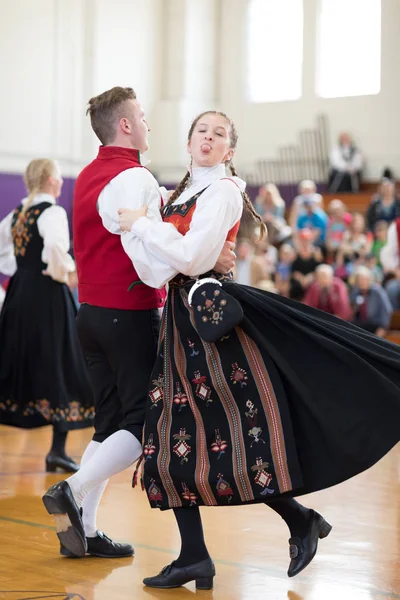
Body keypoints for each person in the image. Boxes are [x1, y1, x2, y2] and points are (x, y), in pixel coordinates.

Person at [118, 110, 399, 590]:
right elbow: (155, 272)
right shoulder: (177, 197)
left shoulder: (224, 191)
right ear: (188, 144)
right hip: (181, 324)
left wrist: (144, 228)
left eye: (219, 134)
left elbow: (189, 258)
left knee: (237, 439)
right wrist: (153, 235)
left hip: (211, 325)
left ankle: (287, 523)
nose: (209, 138)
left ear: (230, 150)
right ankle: (201, 553)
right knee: (171, 441)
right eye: (201, 131)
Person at [42, 87, 235, 560]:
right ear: (127, 125)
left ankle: (85, 532)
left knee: (108, 426)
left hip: (88, 313)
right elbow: (150, 260)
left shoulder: (87, 175)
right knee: (142, 425)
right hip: (127, 314)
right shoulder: (135, 178)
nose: (149, 124)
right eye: (144, 117)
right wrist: (202, 263)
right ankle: (73, 487)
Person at [0, 159, 94, 472]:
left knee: (15, 359)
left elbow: (5, 253)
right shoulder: (52, 212)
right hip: (47, 295)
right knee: (60, 361)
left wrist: (20, 271)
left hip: (19, 293)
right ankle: (56, 450)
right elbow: (55, 247)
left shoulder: (16, 214)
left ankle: (55, 450)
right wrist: (65, 272)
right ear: (52, 180)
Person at [349, 266, 392, 337]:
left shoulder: (377, 291)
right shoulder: (356, 292)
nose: (362, 282)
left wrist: (383, 328)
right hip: (361, 325)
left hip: (375, 325)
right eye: (359, 279)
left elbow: (387, 310)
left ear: (369, 279)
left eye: (364, 279)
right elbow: (353, 311)